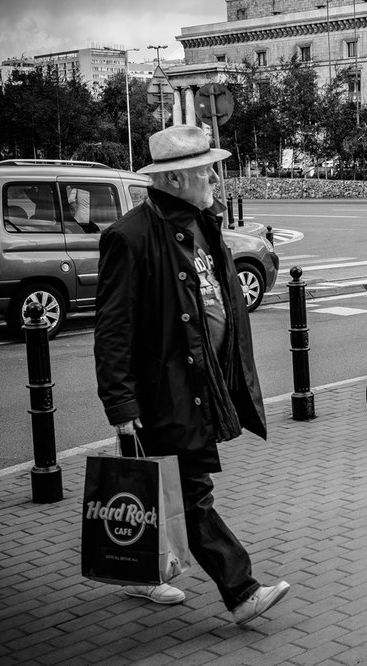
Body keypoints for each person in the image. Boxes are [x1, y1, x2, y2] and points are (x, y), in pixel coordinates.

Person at [94, 124, 289, 625]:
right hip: (165, 391)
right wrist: (121, 405)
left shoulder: (204, 223)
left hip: (204, 386)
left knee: (165, 488)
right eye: (205, 171)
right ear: (177, 179)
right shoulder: (129, 237)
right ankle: (241, 591)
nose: (213, 180)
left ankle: (142, 574)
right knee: (190, 491)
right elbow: (113, 330)